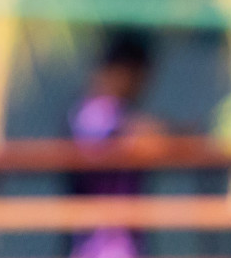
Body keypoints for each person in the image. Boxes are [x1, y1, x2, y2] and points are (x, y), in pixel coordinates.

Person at [69, 30, 165, 258]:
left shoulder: (119, 113)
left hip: (123, 244)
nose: (141, 87)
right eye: (139, 77)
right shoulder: (93, 113)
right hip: (98, 245)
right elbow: (118, 132)